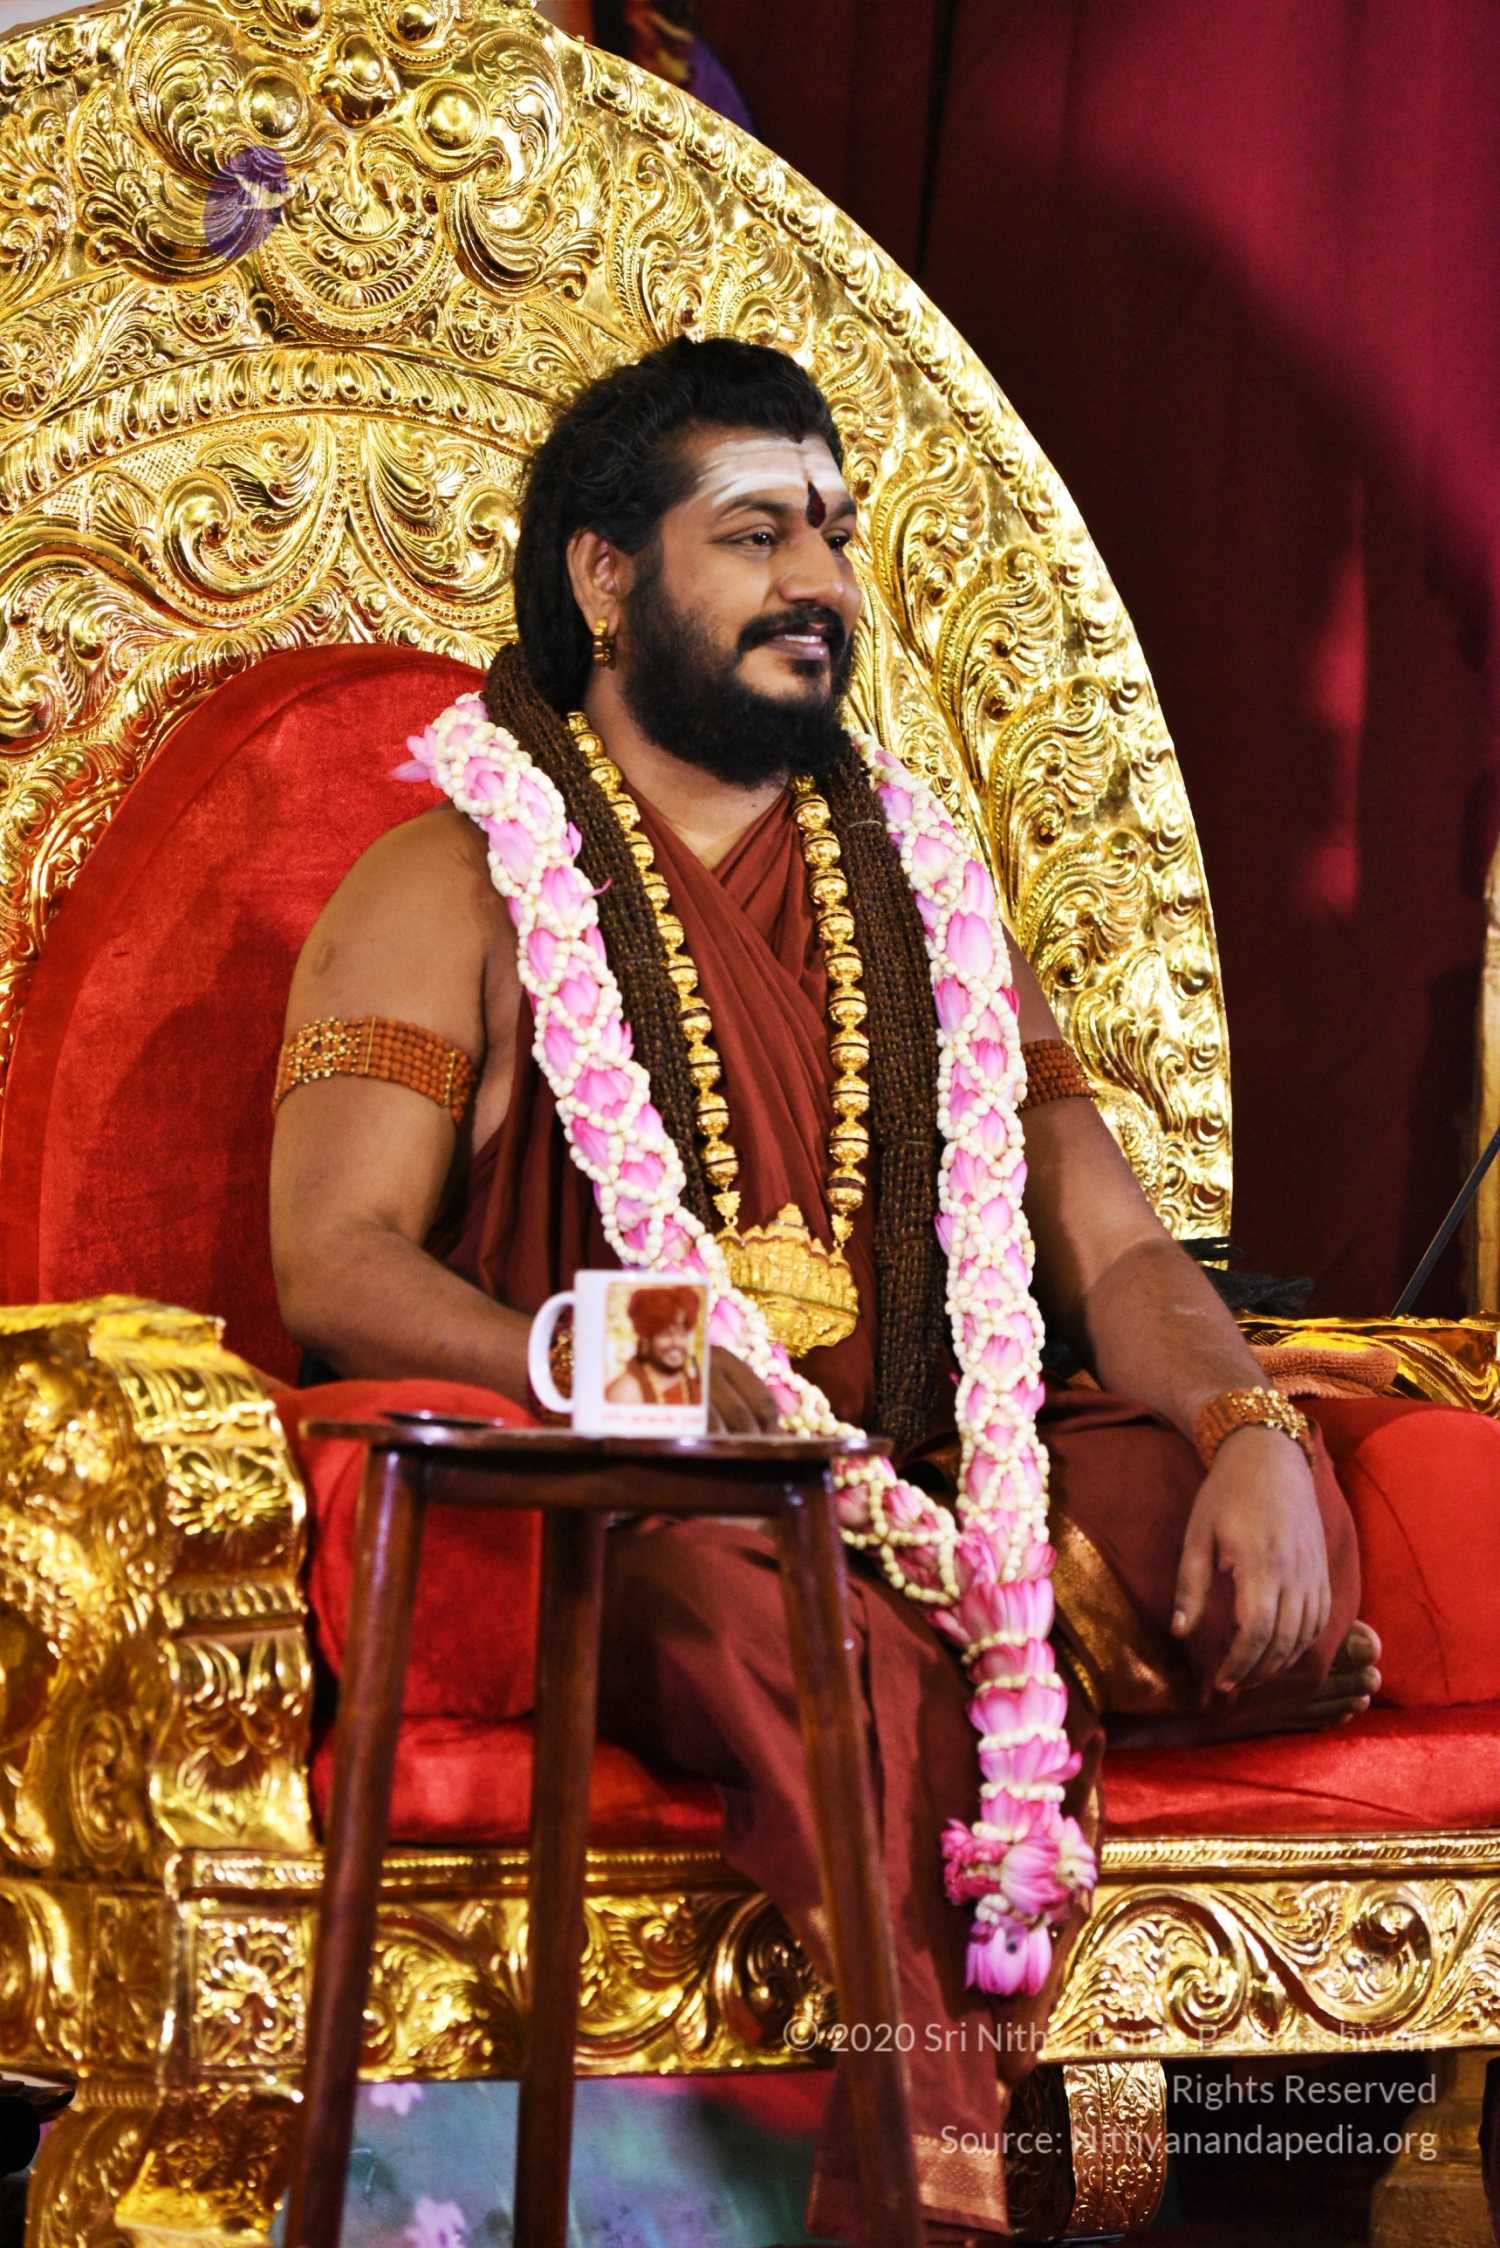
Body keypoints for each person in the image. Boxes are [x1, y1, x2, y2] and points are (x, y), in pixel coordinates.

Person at [270, 338, 1385, 2243]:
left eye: (839, 535)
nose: (819, 582)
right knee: (788, 1598)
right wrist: (616, 1357)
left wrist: (1250, 1427)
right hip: (632, 1493)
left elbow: (1116, 1247)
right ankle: (928, 2179)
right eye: (756, 533)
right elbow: (333, 1257)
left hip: (929, 1463)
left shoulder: (930, 900)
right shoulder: (444, 880)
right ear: (606, 574)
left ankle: (1005, 1657)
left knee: (1258, 1514)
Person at [605, 1283, 704, 1404]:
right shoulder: (626, 1391)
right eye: (666, 1335)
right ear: (646, 1339)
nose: (676, 1343)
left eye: (682, 1335)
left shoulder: (694, 1386)